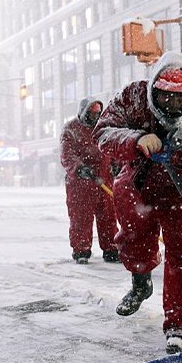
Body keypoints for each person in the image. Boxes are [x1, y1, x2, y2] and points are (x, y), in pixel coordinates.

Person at [94, 52, 182, 354]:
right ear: (153, 91)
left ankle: (181, 327)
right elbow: (104, 131)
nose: (172, 106)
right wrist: (135, 139)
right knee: (134, 239)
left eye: (180, 99)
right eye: (165, 98)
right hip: (139, 185)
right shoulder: (133, 98)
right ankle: (140, 280)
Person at [59, 98, 120, 264]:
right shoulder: (71, 129)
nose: (94, 117)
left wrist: (116, 165)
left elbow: (111, 149)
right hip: (80, 184)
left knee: (108, 217)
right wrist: (79, 168)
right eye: (90, 113)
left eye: (96, 113)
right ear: (83, 112)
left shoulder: (103, 128)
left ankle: (111, 249)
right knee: (81, 218)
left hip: (104, 180)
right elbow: (67, 154)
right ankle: (81, 251)